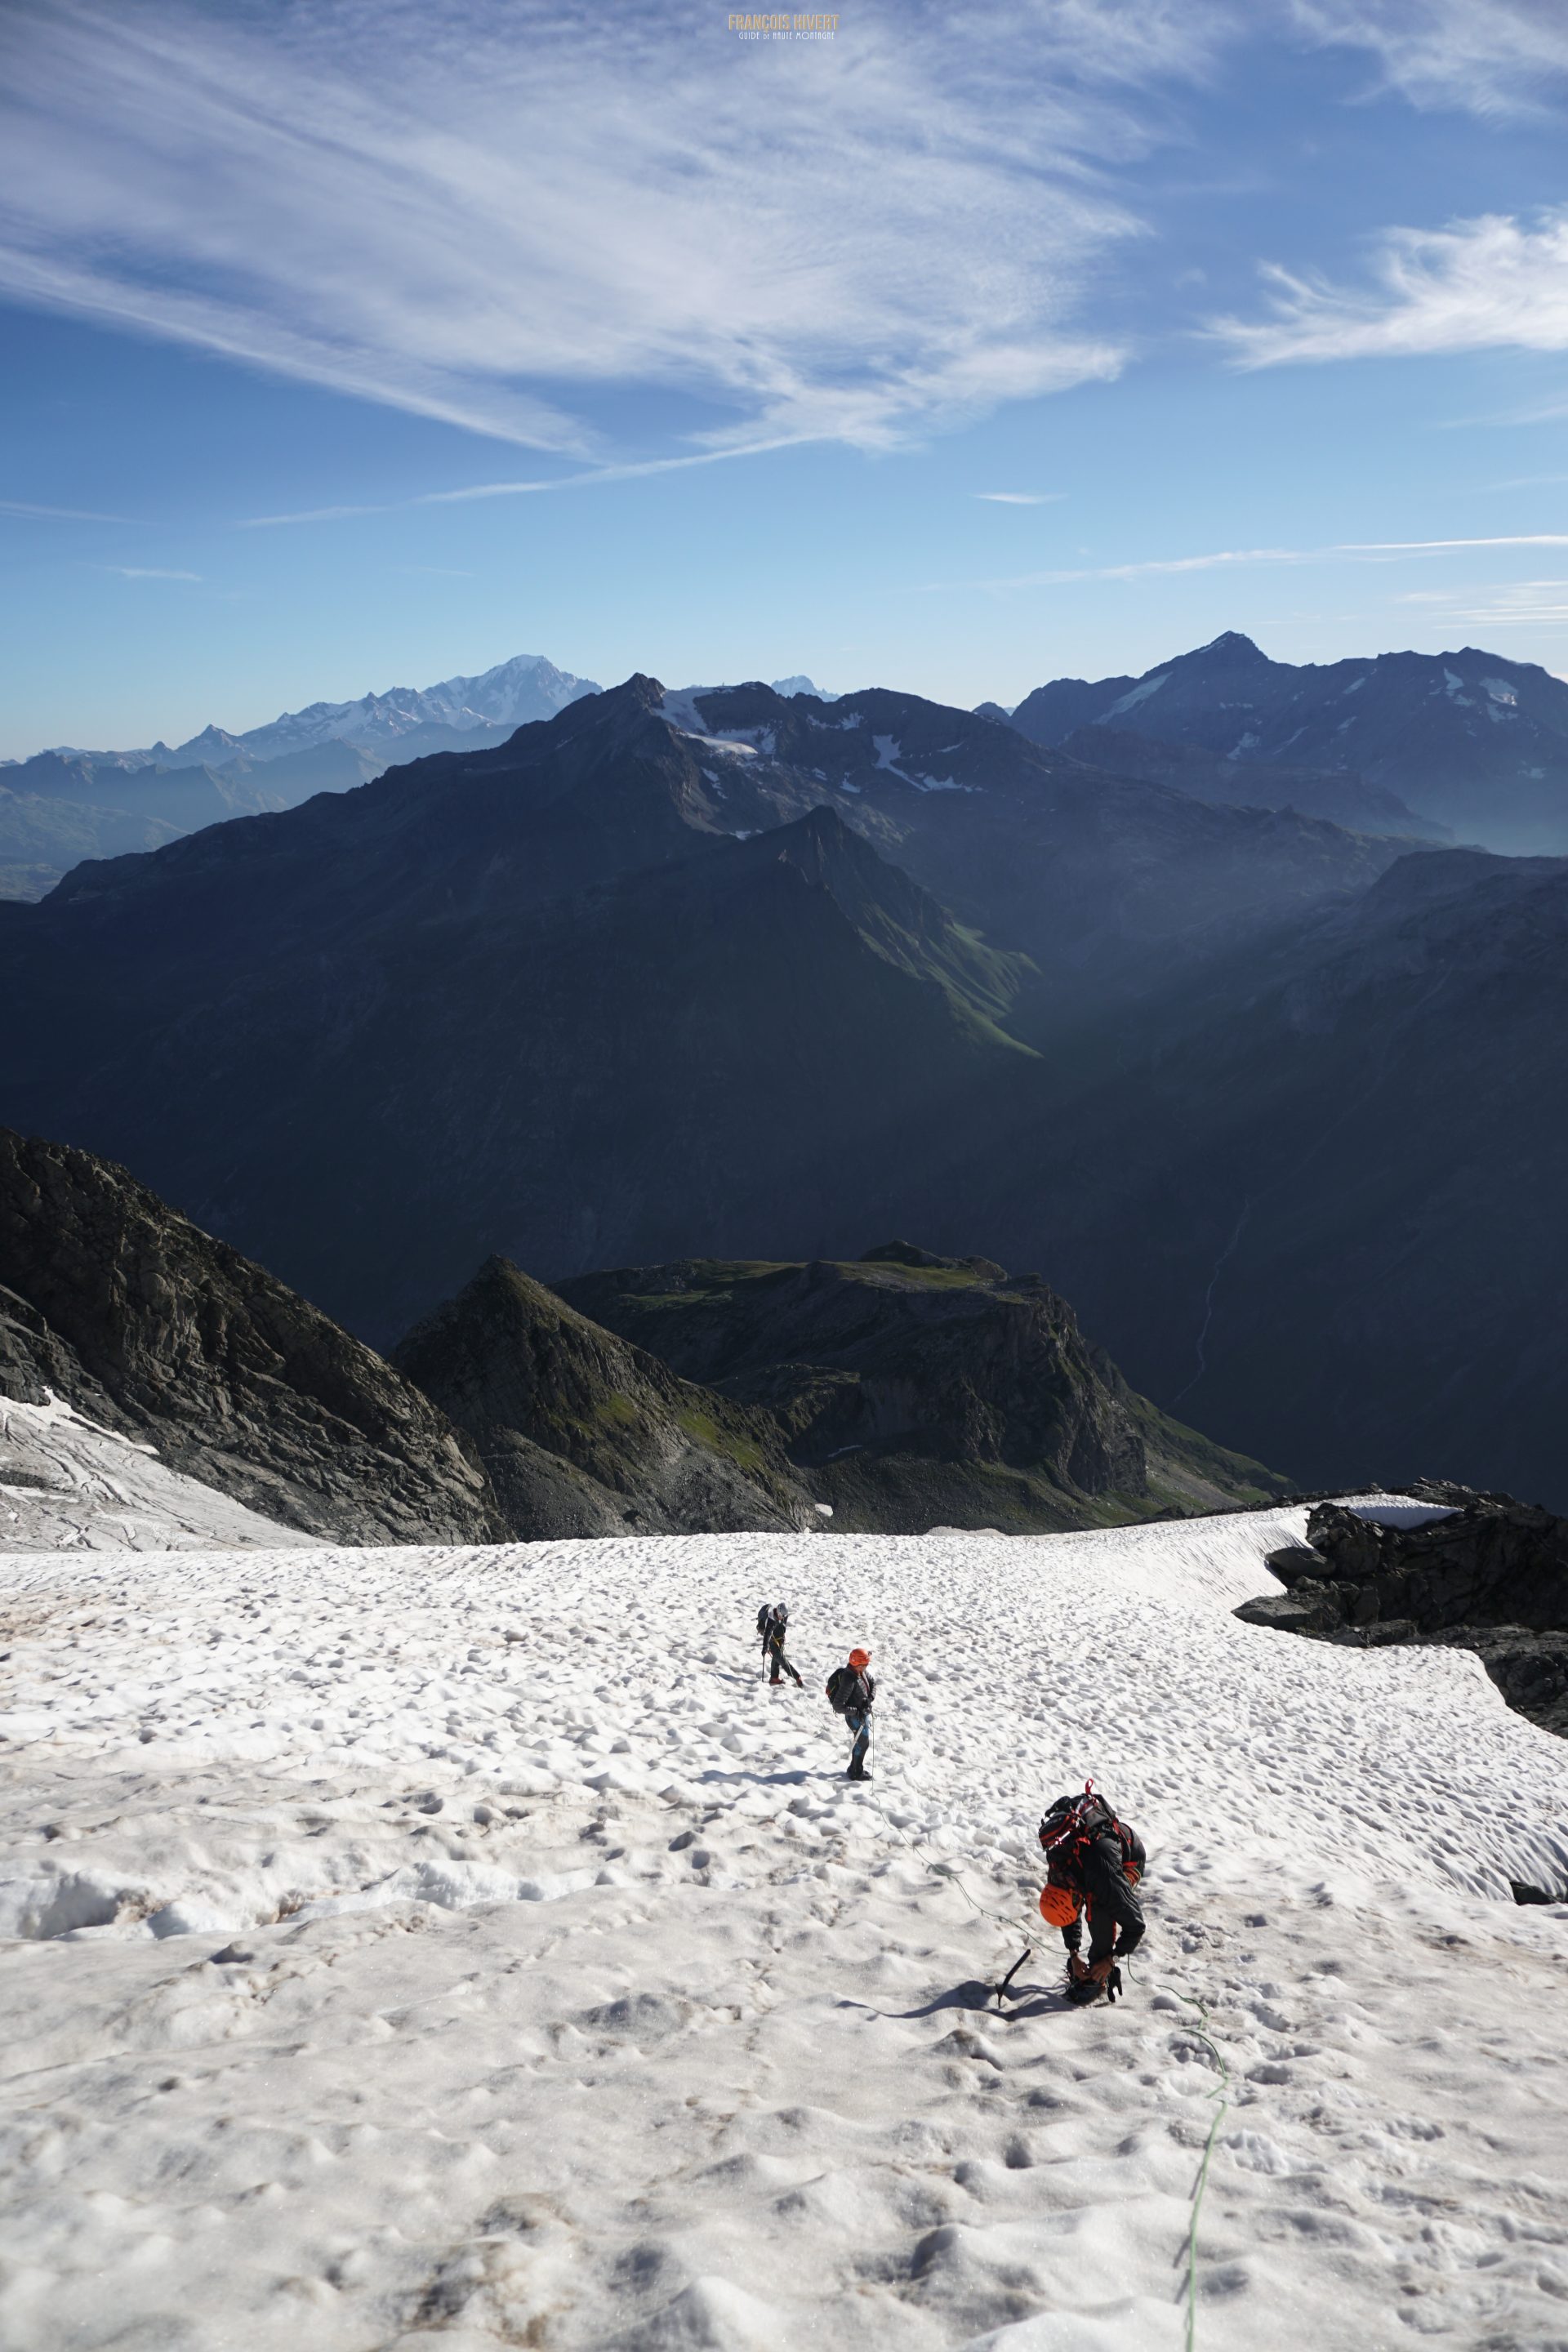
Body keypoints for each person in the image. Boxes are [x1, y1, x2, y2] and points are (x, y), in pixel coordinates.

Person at [1037, 1783, 1145, 2003]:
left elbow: (1136, 1925)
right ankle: (1086, 1969)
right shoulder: (1058, 1868)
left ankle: (1099, 1977)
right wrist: (1073, 1954)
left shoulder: (1103, 1876)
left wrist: (1110, 1959)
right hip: (1092, 1860)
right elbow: (1067, 1913)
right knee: (1092, 1898)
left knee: (1100, 1908)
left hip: (1128, 1857)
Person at [826, 1646, 875, 1779]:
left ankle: (854, 1768)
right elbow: (838, 1706)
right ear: (858, 1664)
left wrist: (869, 1699)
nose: (867, 1666)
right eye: (865, 1664)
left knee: (862, 1743)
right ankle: (856, 1772)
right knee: (862, 1743)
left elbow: (872, 1682)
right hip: (855, 1718)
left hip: (862, 1714)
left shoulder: (861, 1672)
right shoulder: (849, 1679)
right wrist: (857, 1712)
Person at [756, 1601, 804, 1688]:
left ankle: (774, 1677)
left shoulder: (784, 1614)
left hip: (777, 1630)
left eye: (783, 1617)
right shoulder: (770, 1619)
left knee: (778, 1652)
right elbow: (767, 1634)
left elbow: (783, 1626)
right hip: (768, 1632)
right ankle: (797, 1677)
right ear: (778, 1612)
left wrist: (782, 1639)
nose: (782, 1618)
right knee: (779, 1656)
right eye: (781, 1616)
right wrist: (765, 1647)